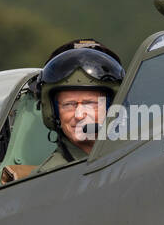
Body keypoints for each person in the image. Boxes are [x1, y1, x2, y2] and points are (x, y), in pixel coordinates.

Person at [34, 40, 124, 174]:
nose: (79, 115)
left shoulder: (138, 156)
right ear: (53, 113)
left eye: (90, 103)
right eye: (68, 104)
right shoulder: (47, 178)